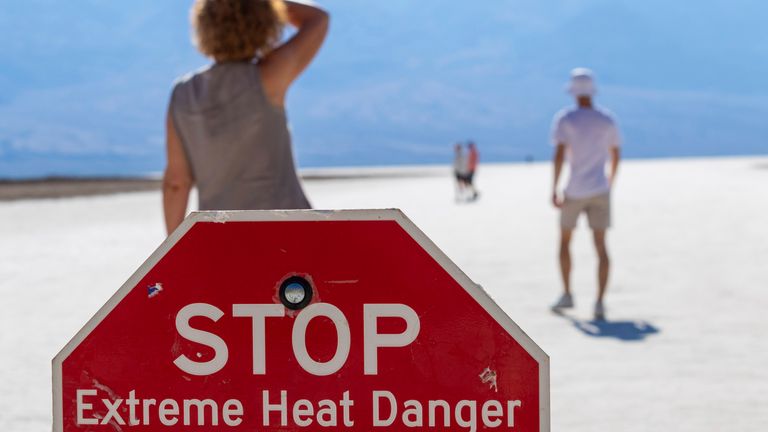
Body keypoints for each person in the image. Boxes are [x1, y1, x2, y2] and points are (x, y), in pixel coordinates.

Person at [162, 0, 330, 235]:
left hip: (221, 236)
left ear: (203, 26)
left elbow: (176, 182)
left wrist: (175, 251)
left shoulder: (184, 93)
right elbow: (318, 19)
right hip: (289, 230)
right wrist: (265, 5)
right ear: (266, 24)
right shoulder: (268, 76)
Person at [550, 68, 621, 320]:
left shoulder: (566, 119)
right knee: (601, 245)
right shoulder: (606, 119)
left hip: (574, 189)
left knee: (565, 241)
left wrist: (554, 187)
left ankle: (567, 292)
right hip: (600, 188)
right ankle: (600, 301)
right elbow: (615, 153)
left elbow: (559, 155)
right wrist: (611, 179)